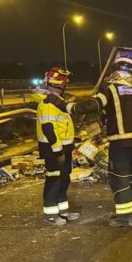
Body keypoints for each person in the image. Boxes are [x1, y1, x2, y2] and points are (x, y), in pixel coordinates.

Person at [69, 57, 132, 227]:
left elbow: (93, 105)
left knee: (119, 178)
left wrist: (70, 107)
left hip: (121, 143)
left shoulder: (111, 89)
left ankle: (125, 217)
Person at [34, 67, 80, 226]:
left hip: (63, 149)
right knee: (54, 180)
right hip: (53, 150)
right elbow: (48, 129)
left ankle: (63, 210)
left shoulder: (57, 102)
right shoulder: (48, 103)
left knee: (64, 179)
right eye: (65, 82)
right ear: (61, 84)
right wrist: (58, 150)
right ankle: (51, 215)